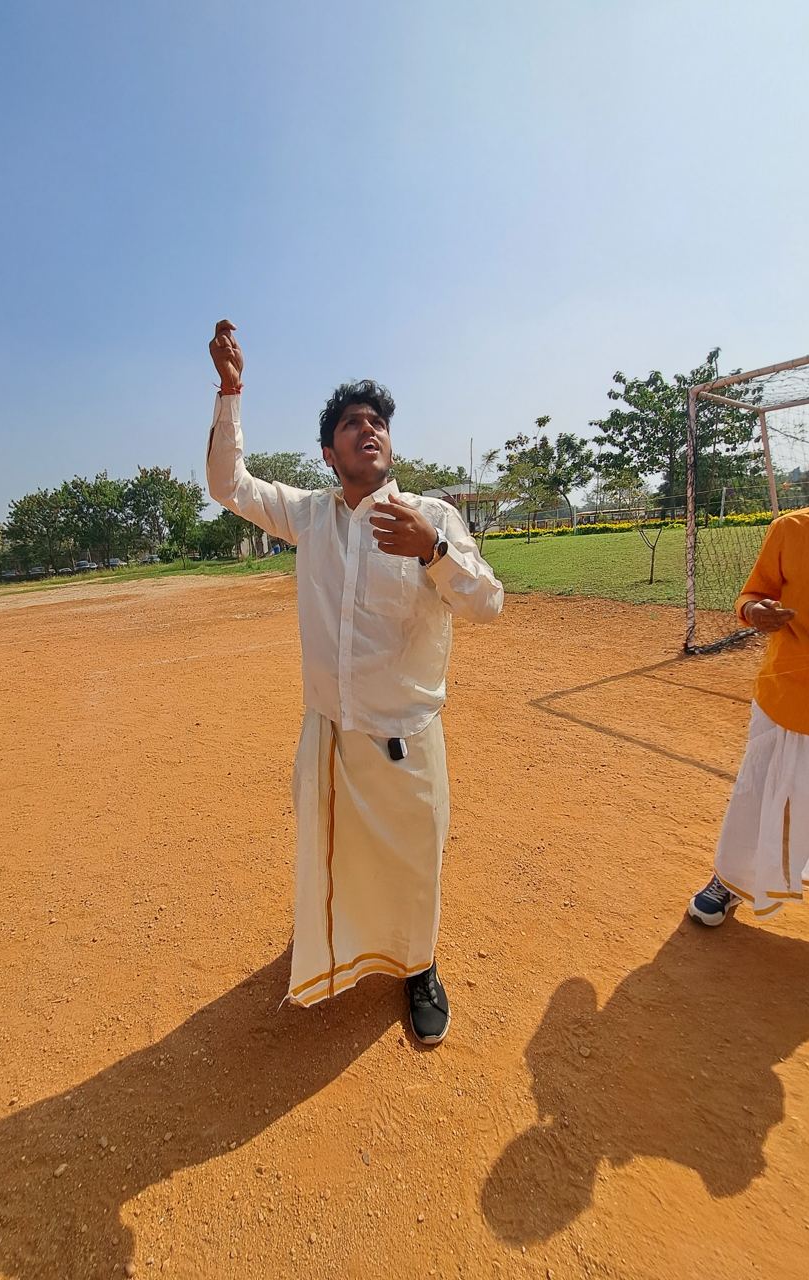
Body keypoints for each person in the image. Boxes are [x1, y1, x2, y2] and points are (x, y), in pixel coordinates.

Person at [205, 320, 503, 1044]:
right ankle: (335, 945)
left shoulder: (430, 517)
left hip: (404, 739)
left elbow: (487, 602)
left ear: (389, 444)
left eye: (377, 422)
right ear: (328, 451)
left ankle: (419, 967)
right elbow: (227, 484)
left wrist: (434, 553)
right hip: (333, 737)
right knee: (334, 853)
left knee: (414, 859)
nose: (367, 429)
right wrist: (230, 390)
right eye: (351, 423)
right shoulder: (309, 517)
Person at [688, 500, 809, 926]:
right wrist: (754, 611)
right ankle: (731, 880)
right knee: (759, 791)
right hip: (789, 694)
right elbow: (753, 593)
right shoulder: (795, 528)